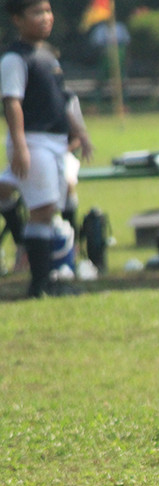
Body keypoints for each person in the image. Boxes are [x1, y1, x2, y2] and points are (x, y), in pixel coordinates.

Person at [0, 0, 93, 297]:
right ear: (17, 18)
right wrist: (20, 145)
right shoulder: (15, 58)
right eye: (36, 12)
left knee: (47, 208)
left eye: (48, 11)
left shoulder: (48, 56)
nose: (45, 18)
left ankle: (47, 279)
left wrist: (80, 131)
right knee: (42, 211)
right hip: (34, 140)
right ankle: (40, 285)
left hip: (55, 143)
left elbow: (63, 99)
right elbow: (12, 102)